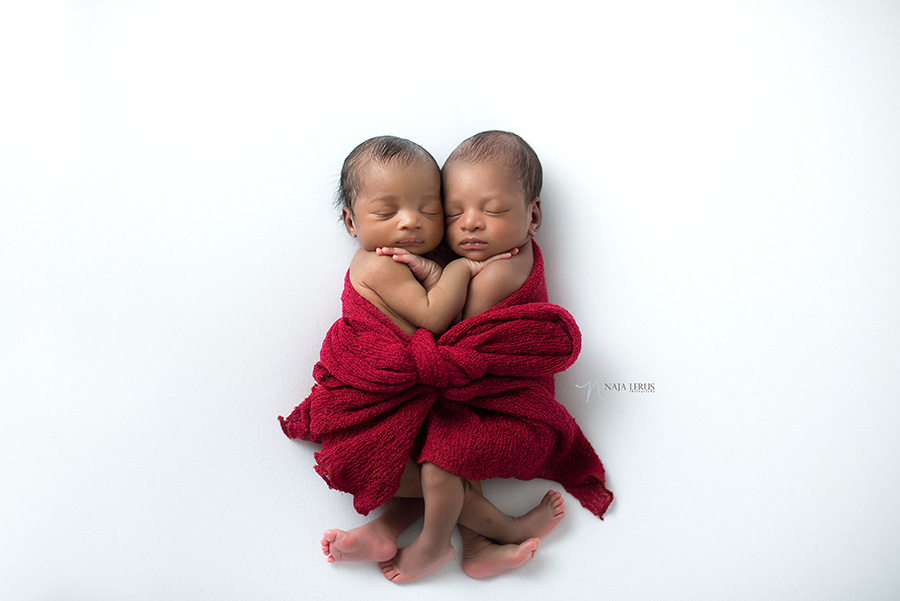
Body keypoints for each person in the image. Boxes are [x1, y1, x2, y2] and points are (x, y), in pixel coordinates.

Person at [320, 135, 567, 583]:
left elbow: (457, 332)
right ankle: (493, 533)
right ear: (351, 222)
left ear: (532, 216)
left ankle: (411, 534)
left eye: (432, 212)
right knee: (435, 461)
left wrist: (441, 270)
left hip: (482, 389)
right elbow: (440, 321)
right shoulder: (382, 264)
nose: (412, 222)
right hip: (395, 384)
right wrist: (452, 270)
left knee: (441, 458)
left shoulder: (497, 266)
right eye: (454, 214)